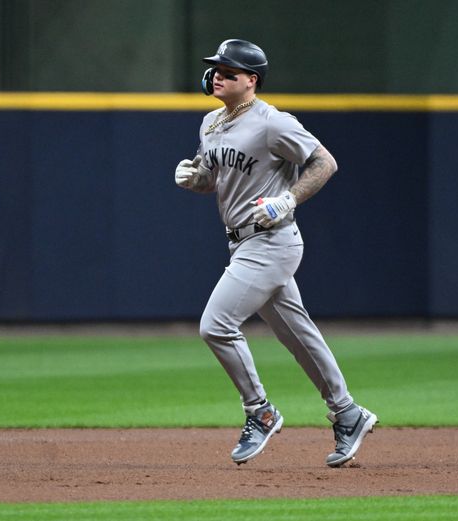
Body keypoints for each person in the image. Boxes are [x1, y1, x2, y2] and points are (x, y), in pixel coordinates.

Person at [174, 39, 377, 467]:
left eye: (230, 71)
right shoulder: (210, 123)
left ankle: (260, 412)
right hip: (242, 240)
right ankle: (348, 413)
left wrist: (288, 199)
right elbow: (215, 177)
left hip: (272, 242)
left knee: (216, 326)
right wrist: (196, 179)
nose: (219, 75)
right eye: (216, 69)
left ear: (252, 80)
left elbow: (325, 163)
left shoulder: (273, 123)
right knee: (297, 334)